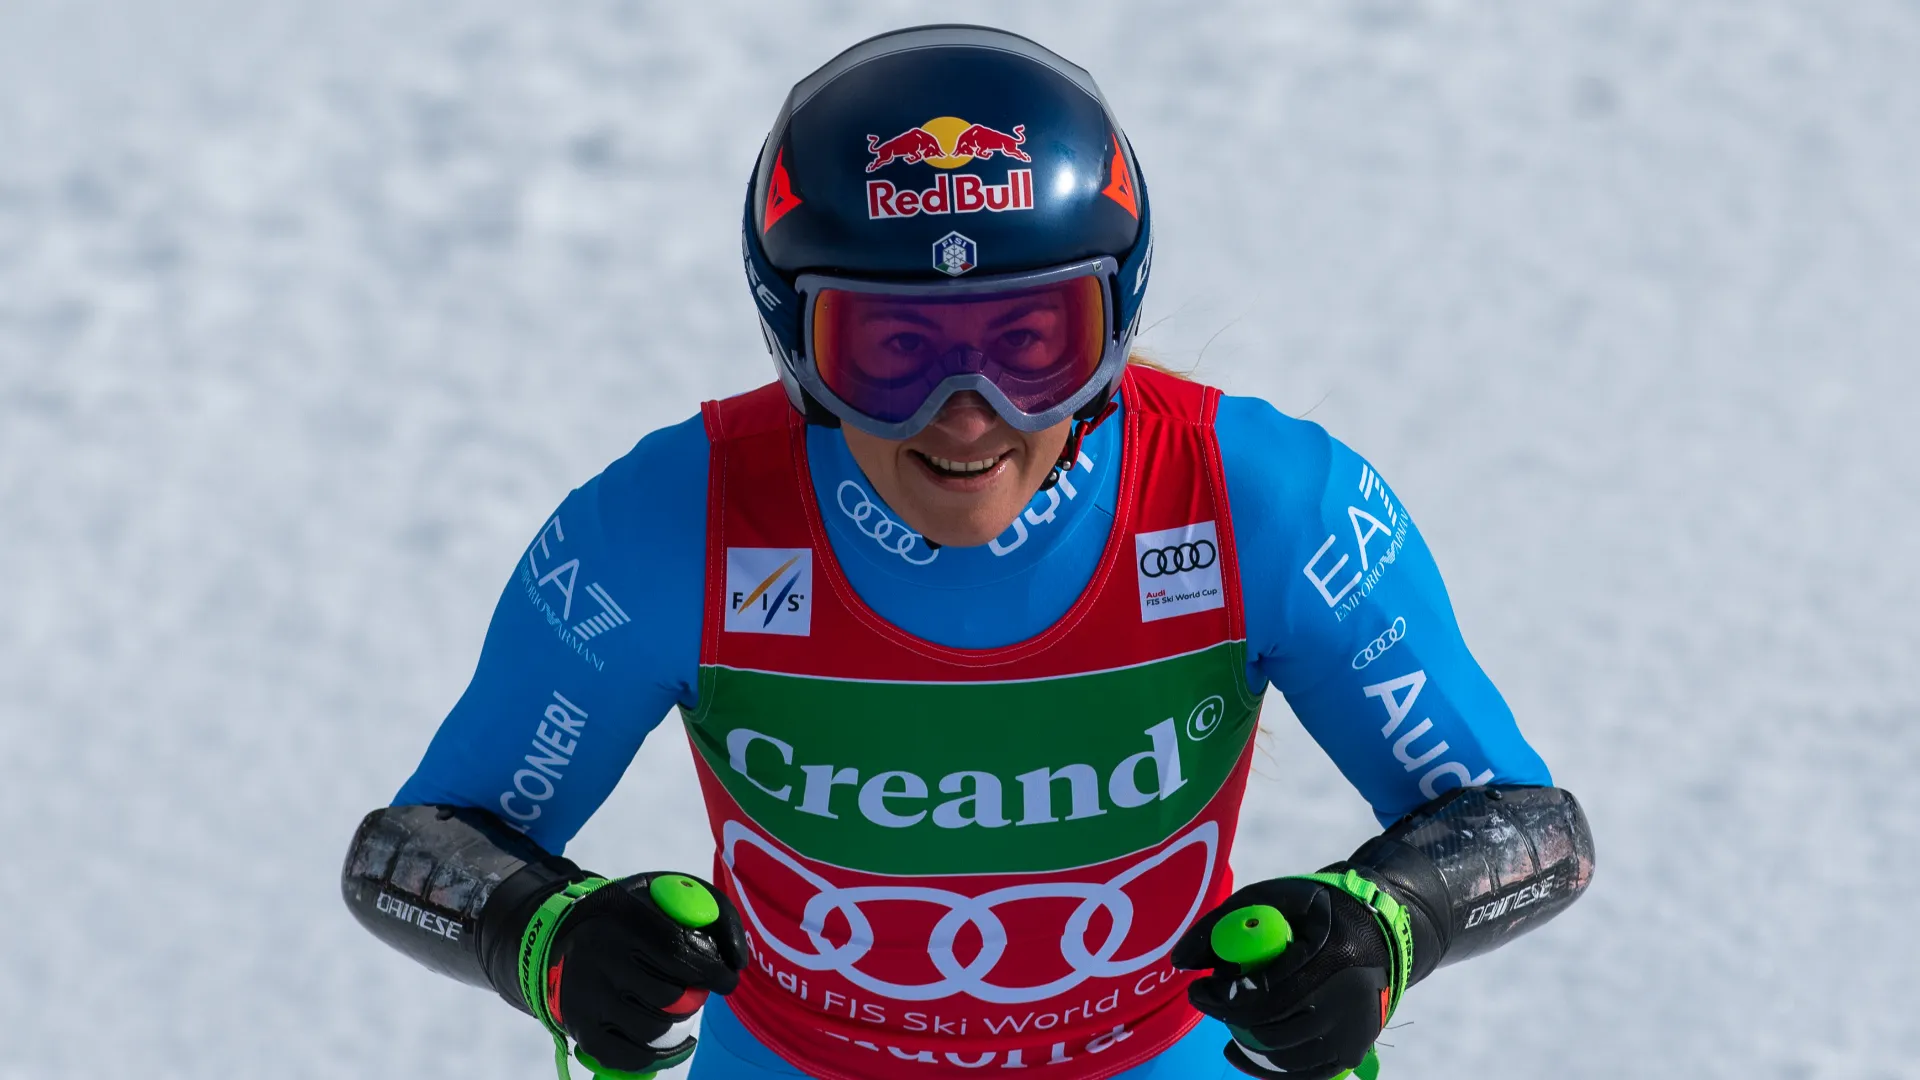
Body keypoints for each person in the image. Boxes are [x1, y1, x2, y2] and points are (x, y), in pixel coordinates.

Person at [341, 24, 1594, 1080]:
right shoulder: (671, 526)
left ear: (1114, 321)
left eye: (1033, 342)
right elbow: (414, 847)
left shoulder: (1259, 504)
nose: (968, 414)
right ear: (795, 338)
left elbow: (1525, 826)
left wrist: (1385, 929)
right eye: (891, 351)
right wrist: (553, 941)